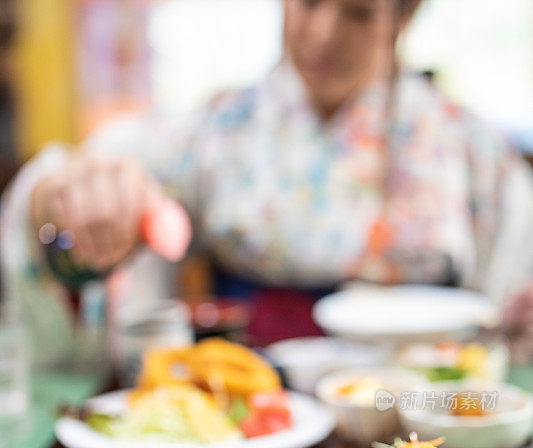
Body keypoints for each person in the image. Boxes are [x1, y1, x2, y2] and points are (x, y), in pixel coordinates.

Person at [2, 0, 533, 352]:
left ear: (403, 18)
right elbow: (88, 173)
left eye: (359, 12)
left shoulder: (467, 147)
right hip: (249, 414)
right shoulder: (219, 129)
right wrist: (62, 198)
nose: (322, 33)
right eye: (307, 1)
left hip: (417, 414)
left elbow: (510, 305)